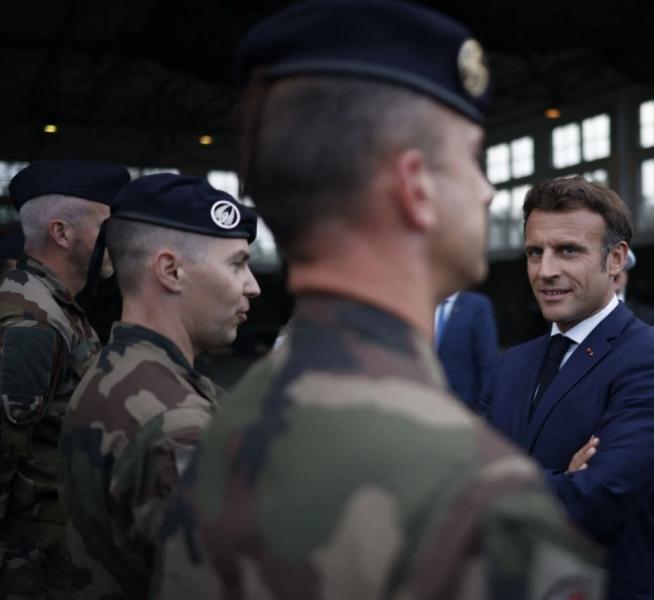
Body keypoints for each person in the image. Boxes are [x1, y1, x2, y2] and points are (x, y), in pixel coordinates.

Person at [153, 2, 607, 599]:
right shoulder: (484, 506)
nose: (488, 189)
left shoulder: (217, 433)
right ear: (415, 188)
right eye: (472, 160)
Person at [480, 176, 654, 600]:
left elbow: (597, 499)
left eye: (568, 250)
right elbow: (459, 480)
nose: (545, 271)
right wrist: (562, 478)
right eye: (535, 252)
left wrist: (492, 486)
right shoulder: (511, 365)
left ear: (615, 259)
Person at [57, 174, 260, 599]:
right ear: (170, 271)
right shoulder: (175, 425)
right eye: (237, 264)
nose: (253, 286)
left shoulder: (118, 367)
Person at [0, 159, 129, 598]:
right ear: (61, 232)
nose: (118, 241)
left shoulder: (57, 308)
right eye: (107, 226)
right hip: (28, 568)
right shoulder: (32, 323)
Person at [434, 290, 499, 410]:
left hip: (463, 404)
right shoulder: (423, 303)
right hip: (425, 400)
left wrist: (485, 409)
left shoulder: (477, 305)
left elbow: (487, 361)